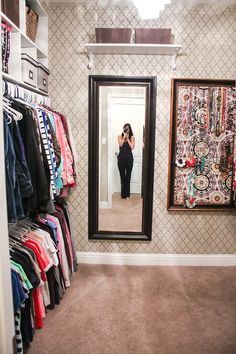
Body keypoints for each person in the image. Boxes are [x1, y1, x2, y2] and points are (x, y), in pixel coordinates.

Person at [117, 123, 135, 200]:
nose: (127, 130)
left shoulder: (132, 137)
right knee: (122, 177)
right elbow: (120, 145)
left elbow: (132, 147)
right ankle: (123, 194)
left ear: (130, 129)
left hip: (129, 160)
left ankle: (127, 194)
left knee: (128, 177)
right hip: (121, 159)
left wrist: (127, 139)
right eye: (125, 129)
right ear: (123, 129)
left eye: (128, 129)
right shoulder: (119, 136)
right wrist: (124, 137)